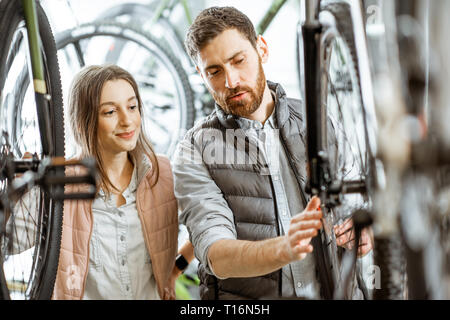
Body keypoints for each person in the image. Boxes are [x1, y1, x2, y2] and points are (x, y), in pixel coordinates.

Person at [172, 6, 373, 300]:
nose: (231, 81)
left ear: (261, 49)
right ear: (201, 75)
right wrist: (284, 248)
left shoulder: (317, 118)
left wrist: (362, 229)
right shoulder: (194, 150)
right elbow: (216, 254)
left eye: (238, 61)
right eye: (214, 71)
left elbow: (357, 196)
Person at [47, 64, 194, 299]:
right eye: (110, 112)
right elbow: (10, 242)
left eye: (132, 107)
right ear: (83, 121)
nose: (127, 121)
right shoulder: (58, 185)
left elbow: (207, 222)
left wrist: (176, 268)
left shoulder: (162, 173)